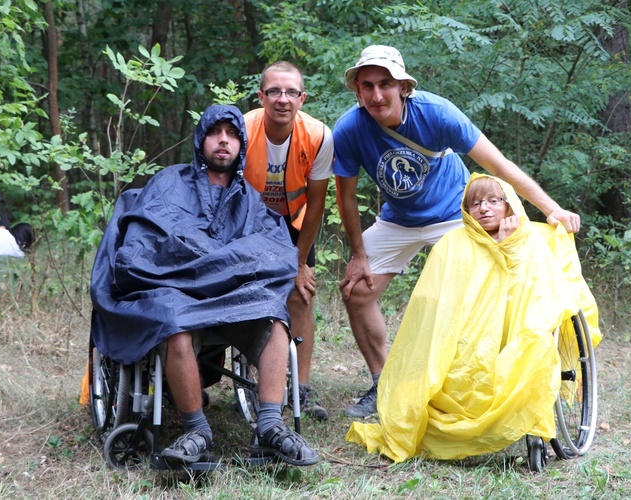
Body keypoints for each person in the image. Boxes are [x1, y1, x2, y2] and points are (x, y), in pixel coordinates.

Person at [333, 45, 582, 418]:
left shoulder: (436, 113)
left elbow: (497, 164)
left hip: (453, 214)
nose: (376, 95)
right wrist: (358, 254)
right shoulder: (350, 128)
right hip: (398, 219)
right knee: (355, 291)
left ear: (403, 87)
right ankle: (384, 384)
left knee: (466, 299)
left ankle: (468, 383)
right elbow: (346, 197)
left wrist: (551, 209)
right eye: (366, 86)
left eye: (385, 84)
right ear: (357, 91)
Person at [89, 105, 318, 467]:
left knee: (275, 317)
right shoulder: (169, 182)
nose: (223, 141)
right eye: (215, 133)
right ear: (201, 140)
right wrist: (220, 261)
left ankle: (270, 427)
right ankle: (197, 431)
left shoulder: (251, 199)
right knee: (172, 320)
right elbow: (149, 242)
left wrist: (218, 264)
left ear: (242, 146)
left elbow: (273, 251)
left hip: (237, 298)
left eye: (232, 134)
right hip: (178, 292)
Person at [346, 174, 601, 462]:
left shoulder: (531, 239)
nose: (484, 208)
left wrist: (507, 246)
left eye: (493, 201)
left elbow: (537, 292)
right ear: (466, 211)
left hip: (518, 331)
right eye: (475, 203)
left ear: (509, 206)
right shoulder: (453, 243)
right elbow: (435, 300)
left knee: (529, 347)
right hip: (463, 337)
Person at [243, 61, 334, 421]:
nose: (283, 99)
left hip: (295, 221)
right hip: (247, 221)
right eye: (274, 92)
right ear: (261, 96)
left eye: (291, 92)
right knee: (250, 291)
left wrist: (299, 263)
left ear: (302, 97)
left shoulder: (319, 135)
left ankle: (301, 387)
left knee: (301, 292)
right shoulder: (242, 129)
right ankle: (255, 382)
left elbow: (315, 205)